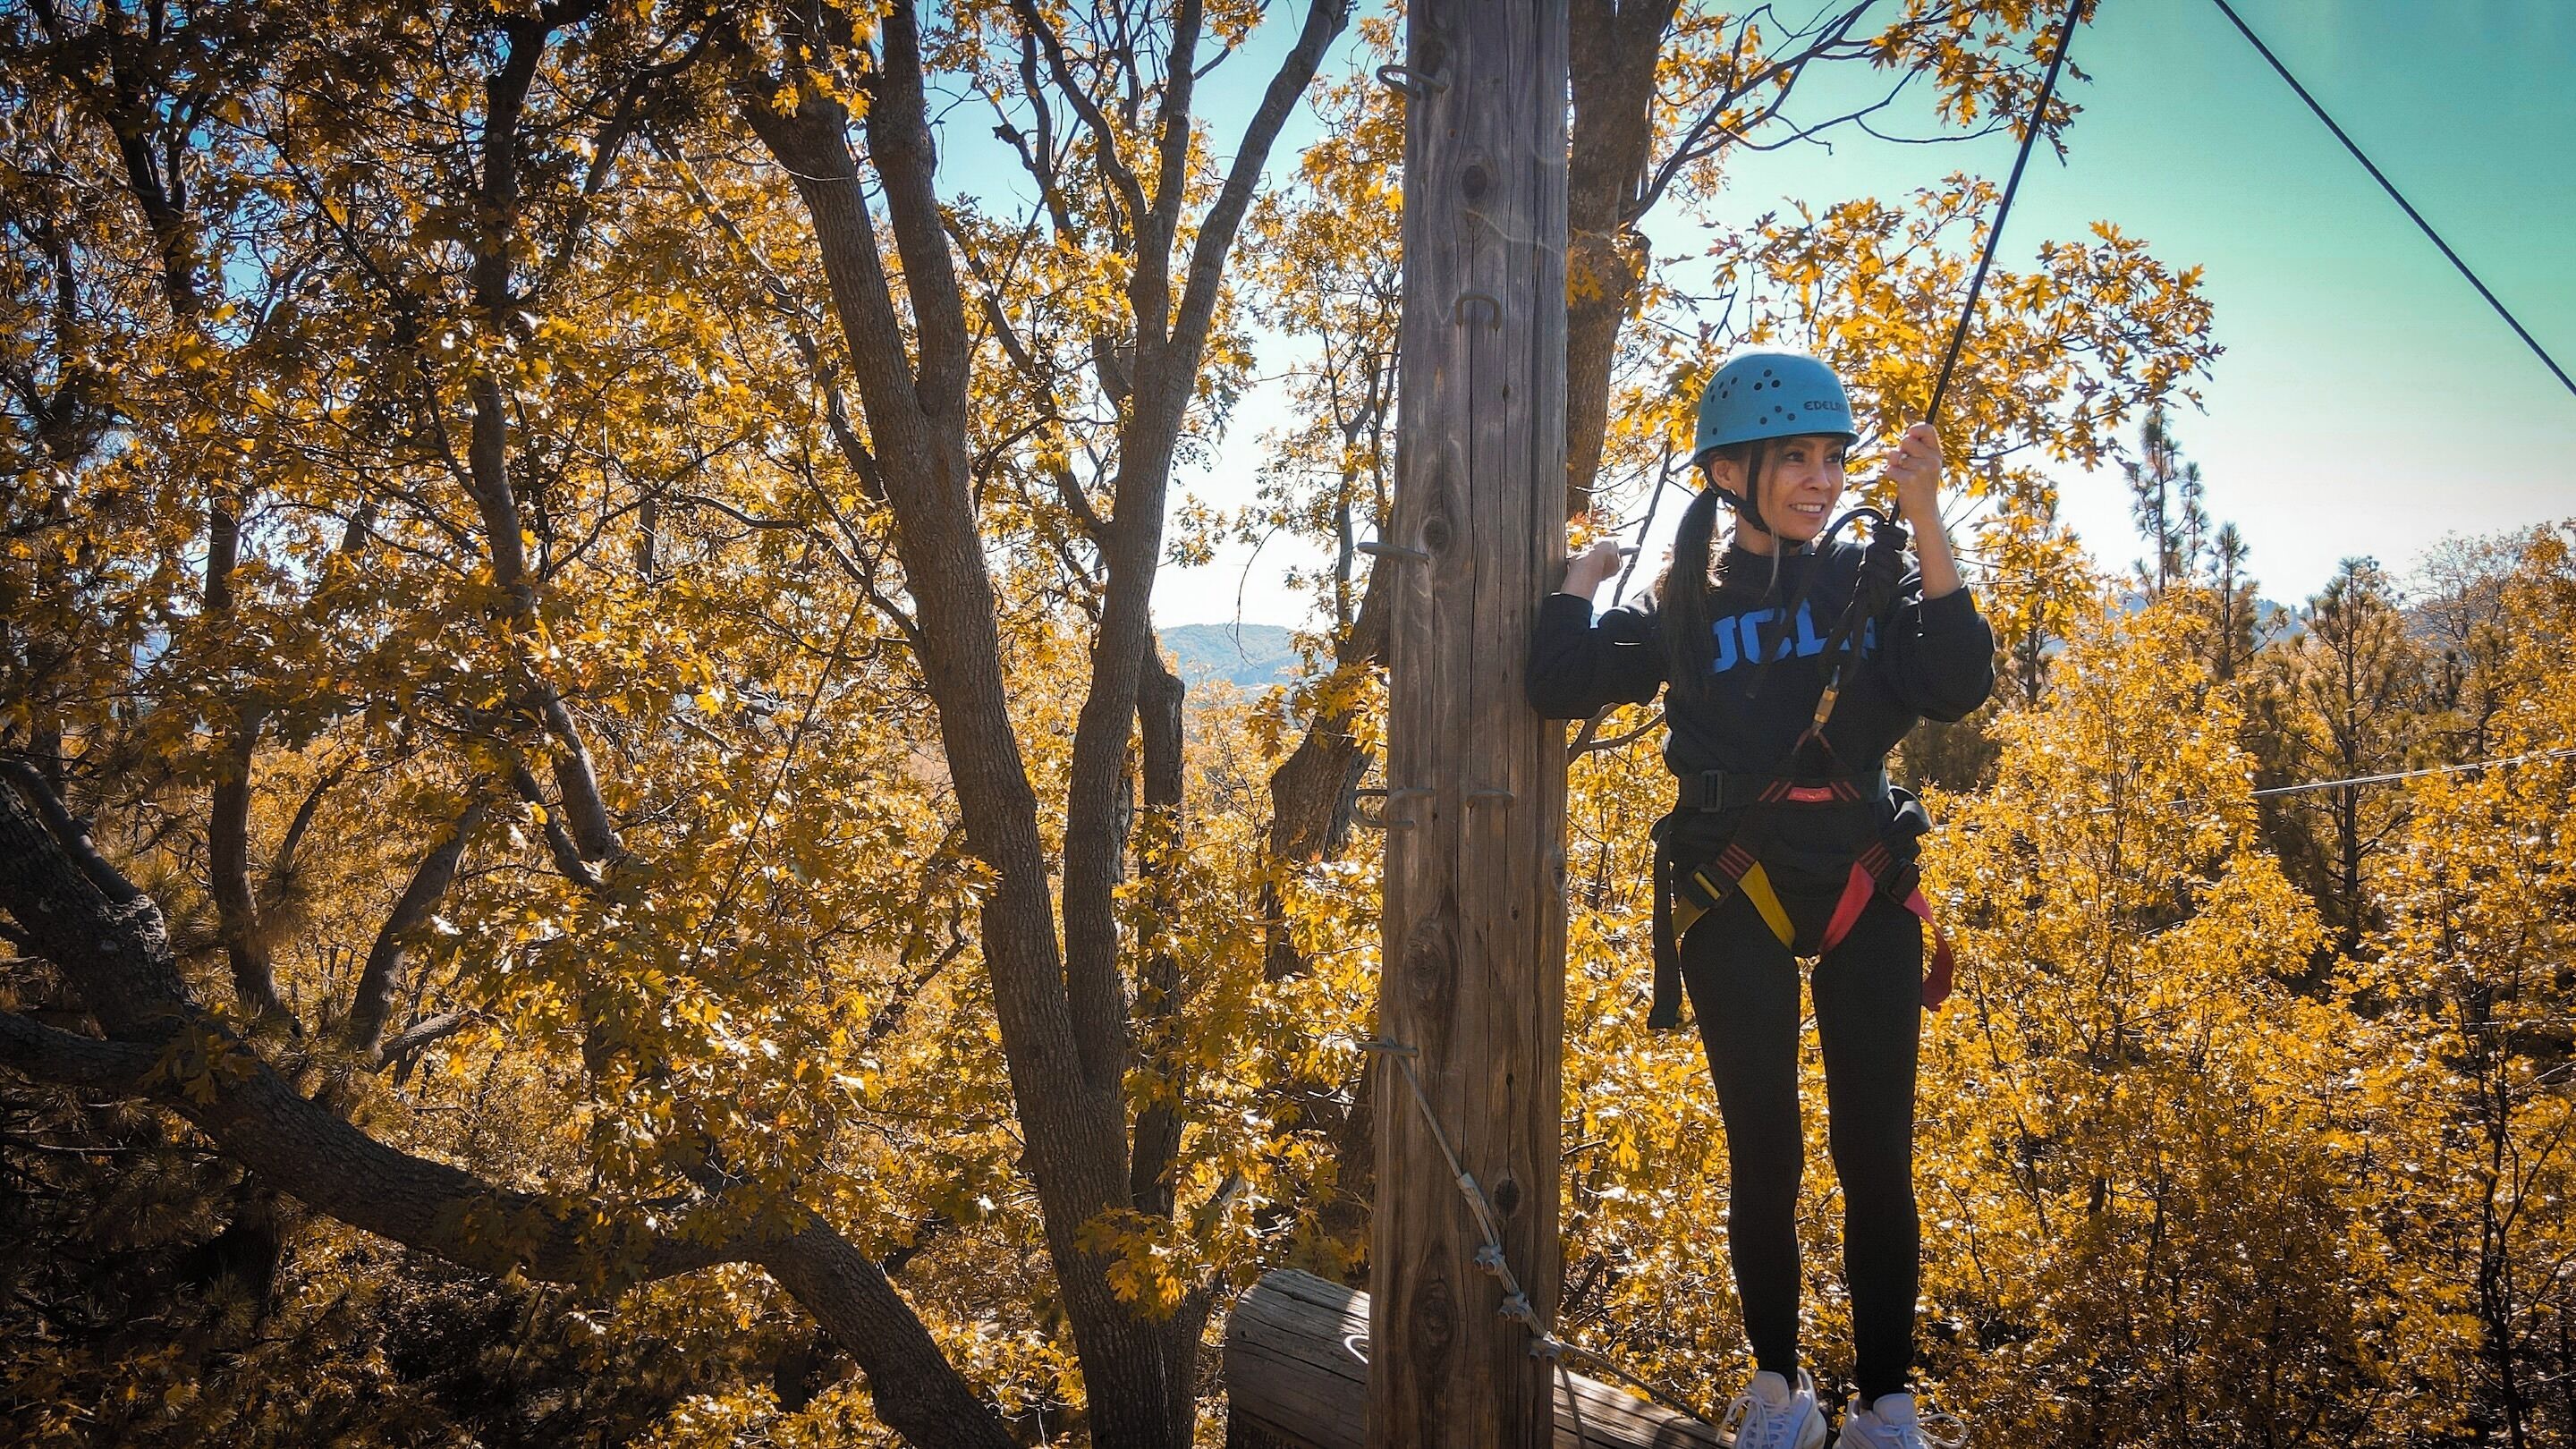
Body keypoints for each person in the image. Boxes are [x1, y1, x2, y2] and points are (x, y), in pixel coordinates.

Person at [1527, 349, 1994, 1449]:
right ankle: (1778, 1391)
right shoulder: (1685, 601)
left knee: (1876, 1150)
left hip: (1864, 886)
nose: (1822, 479)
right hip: (1734, 893)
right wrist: (1580, 580)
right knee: (1767, 1153)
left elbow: (1958, 680)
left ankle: (1888, 1405)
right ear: (1731, 473)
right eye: (1796, 458)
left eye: (1832, 458)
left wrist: (1924, 515)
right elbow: (1558, 683)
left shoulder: (1866, 582)